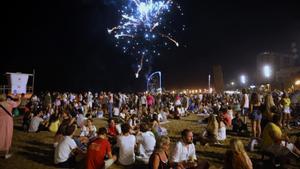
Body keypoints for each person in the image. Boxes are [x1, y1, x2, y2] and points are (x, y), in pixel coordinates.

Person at [0, 94, 20, 159]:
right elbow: (18, 103)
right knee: (7, 135)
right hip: (8, 120)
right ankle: (6, 153)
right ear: (5, 98)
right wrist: (18, 97)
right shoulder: (10, 103)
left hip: (0, 120)